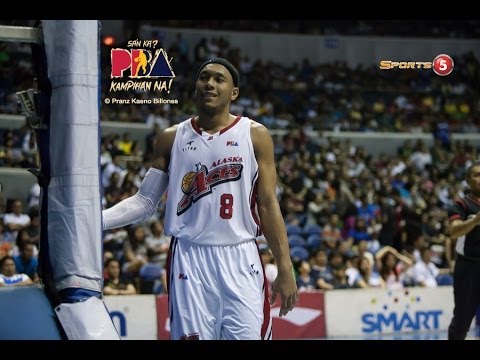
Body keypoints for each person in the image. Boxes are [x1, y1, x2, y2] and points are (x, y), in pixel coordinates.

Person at [102, 58, 298, 340]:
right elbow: (144, 202)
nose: (210, 83)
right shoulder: (171, 138)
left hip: (241, 256)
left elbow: (267, 205)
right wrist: (93, 221)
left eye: (219, 79)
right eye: (204, 77)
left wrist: (284, 267)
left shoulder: (255, 135)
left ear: (234, 92)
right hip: (189, 258)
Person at [447, 160, 480, 340]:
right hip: (469, 268)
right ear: (468, 181)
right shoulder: (461, 205)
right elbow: (453, 231)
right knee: (462, 320)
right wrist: (474, 221)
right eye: (477, 175)